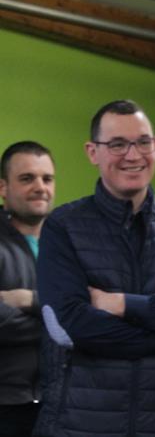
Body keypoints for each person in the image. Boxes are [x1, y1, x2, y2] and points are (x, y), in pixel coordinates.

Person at [35, 100, 155, 437]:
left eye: (143, 142)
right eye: (117, 144)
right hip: (83, 425)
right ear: (92, 152)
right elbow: (75, 325)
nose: (133, 155)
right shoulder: (64, 227)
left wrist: (120, 305)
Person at [0, 141, 55, 437]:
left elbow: (87, 312)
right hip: (5, 406)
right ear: (3, 187)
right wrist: (58, 322)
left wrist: (27, 300)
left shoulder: (66, 245)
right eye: (26, 178)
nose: (39, 187)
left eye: (46, 179)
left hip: (56, 403)